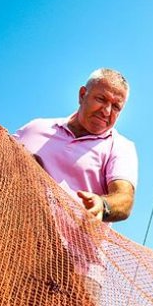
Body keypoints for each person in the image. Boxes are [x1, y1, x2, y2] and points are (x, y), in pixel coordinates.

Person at [14, 68, 137, 223]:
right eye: (101, 99)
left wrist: (102, 204)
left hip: (70, 247)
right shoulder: (35, 128)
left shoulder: (120, 147)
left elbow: (124, 199)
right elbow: (0, 161)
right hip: (14, 238)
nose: (106, 111)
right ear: (82, 94)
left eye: (116, 107)